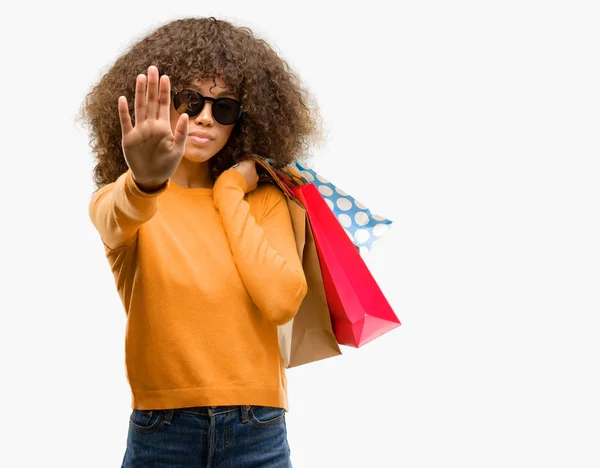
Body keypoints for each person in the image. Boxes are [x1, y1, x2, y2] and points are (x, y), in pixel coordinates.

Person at [77, 16, 324, 467]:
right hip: (162, 431)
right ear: (162, 102)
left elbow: (281, 301)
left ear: (243, 120)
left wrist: (230, 190)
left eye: (224, 107)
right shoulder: (129, 198)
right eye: (190, 101)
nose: (206, 117)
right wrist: (146, 181)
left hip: (259, 429)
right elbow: (115, 220)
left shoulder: (263, 199)